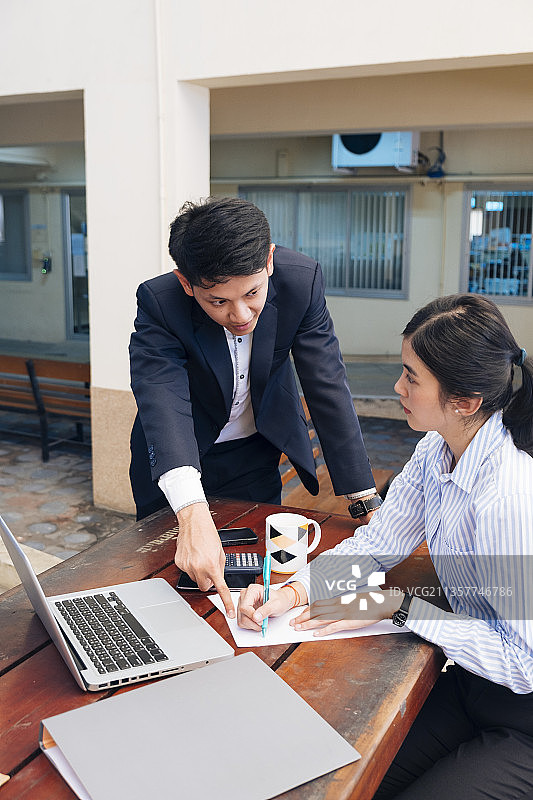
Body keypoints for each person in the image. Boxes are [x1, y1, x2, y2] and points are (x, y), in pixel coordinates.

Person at [238, 293, 533, 799]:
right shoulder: (436, 451)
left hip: (522, 713)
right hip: (469, 684)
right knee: (348, 782)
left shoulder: (507, 496)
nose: (397, 387)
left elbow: (522, 664)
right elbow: (377, 545)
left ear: (464, 401)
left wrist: (398, 605)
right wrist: (294, 592)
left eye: (411, 377)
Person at [129, 196, 380, 619]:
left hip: (254, 450)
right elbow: (161, 398)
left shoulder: (302, 282)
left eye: (251, 293)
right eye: (218, 302)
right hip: (178, 457)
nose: (241, 314)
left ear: (268, 261)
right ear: (186, 283)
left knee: (258, 577)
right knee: (173, 582)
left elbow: (326, 384)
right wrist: (191, 513)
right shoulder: (160, 302)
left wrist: (363, 497)